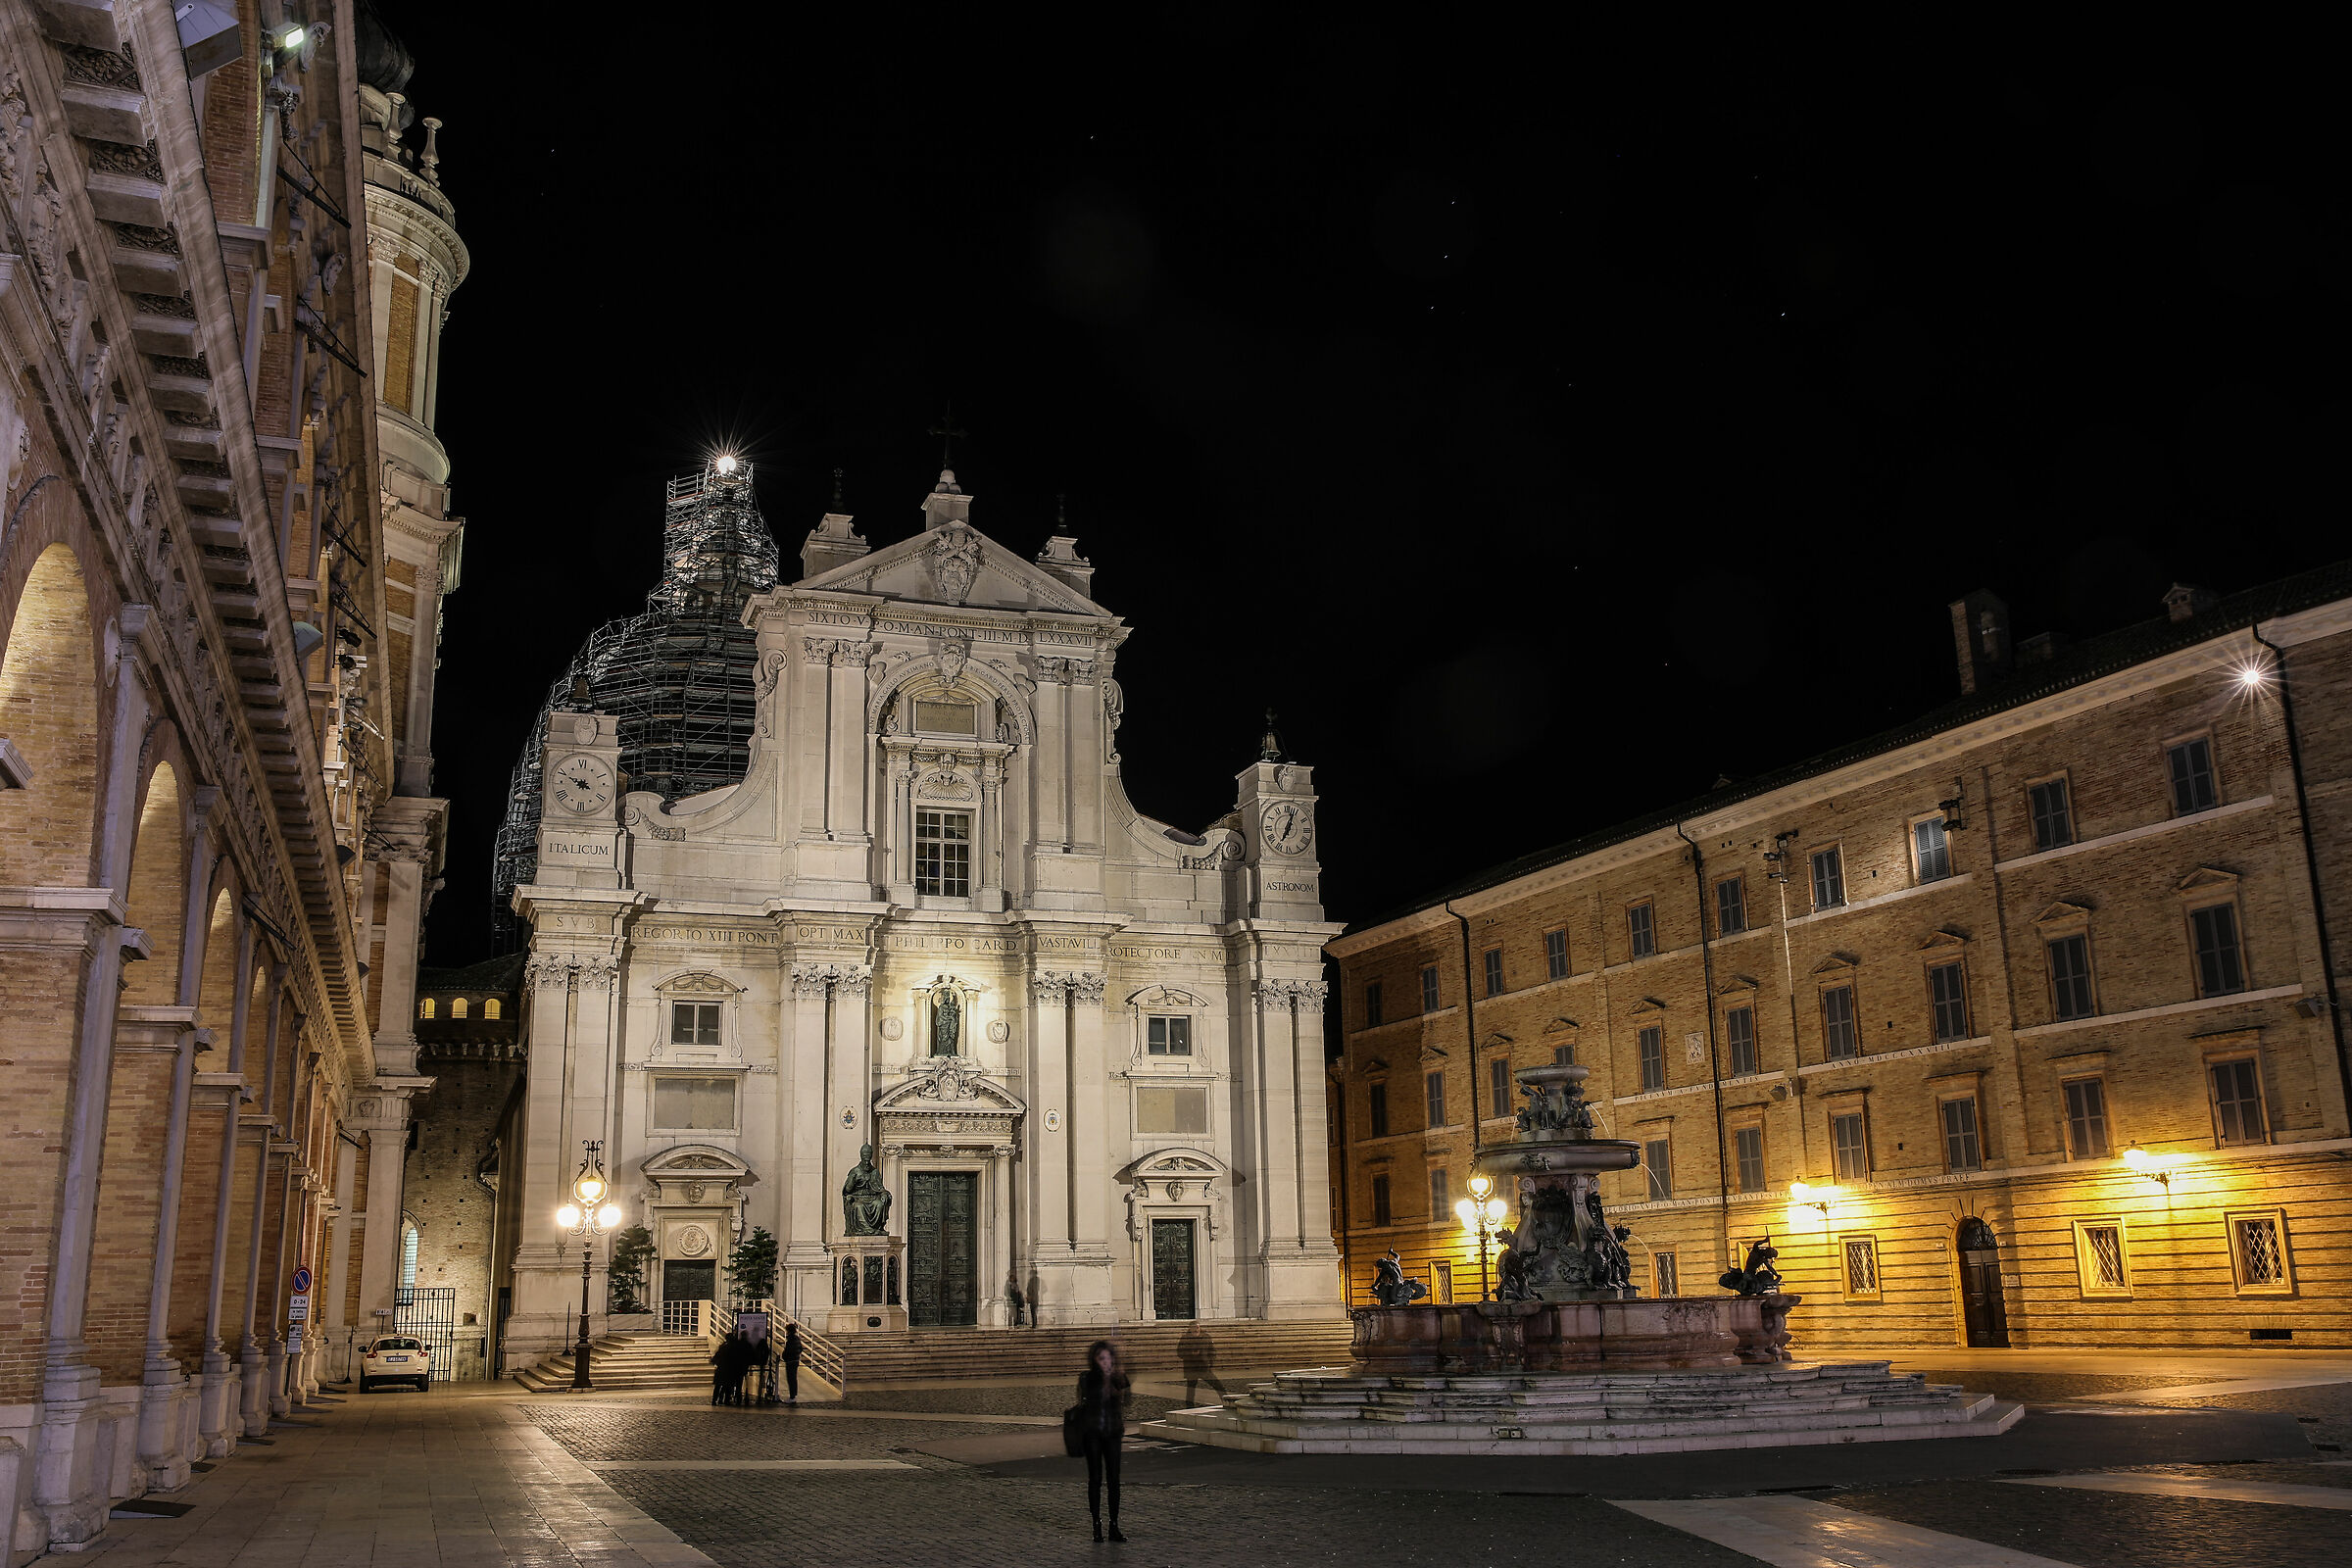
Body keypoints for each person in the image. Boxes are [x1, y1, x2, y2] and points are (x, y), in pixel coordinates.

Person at [1075, 1340, 1130, 1543]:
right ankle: (1096, 1524)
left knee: (1114, 1480)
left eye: (1108, 1358)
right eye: (1101, 1359)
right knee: (1096, 1479)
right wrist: (1105, 1381)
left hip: (1112, 1434)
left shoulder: (1117, 1377)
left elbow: (1127, 1399)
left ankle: (1114, 1524)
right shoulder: (1088, 1378)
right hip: (1093, 1434)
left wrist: (1116, 1378)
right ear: (1094, 1360)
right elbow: (1088, 1398)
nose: (1106, 1362)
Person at [781, 1322, 804, 1405]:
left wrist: (785, 1357)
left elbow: (787, 1351)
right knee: (794, 1378)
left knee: (791, 1379)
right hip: (796, 1361)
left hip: (790, 1361)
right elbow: (801, 1349)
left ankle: (792, 1396)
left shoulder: (790, 1340)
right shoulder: (797, 1339)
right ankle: (793, 1395)